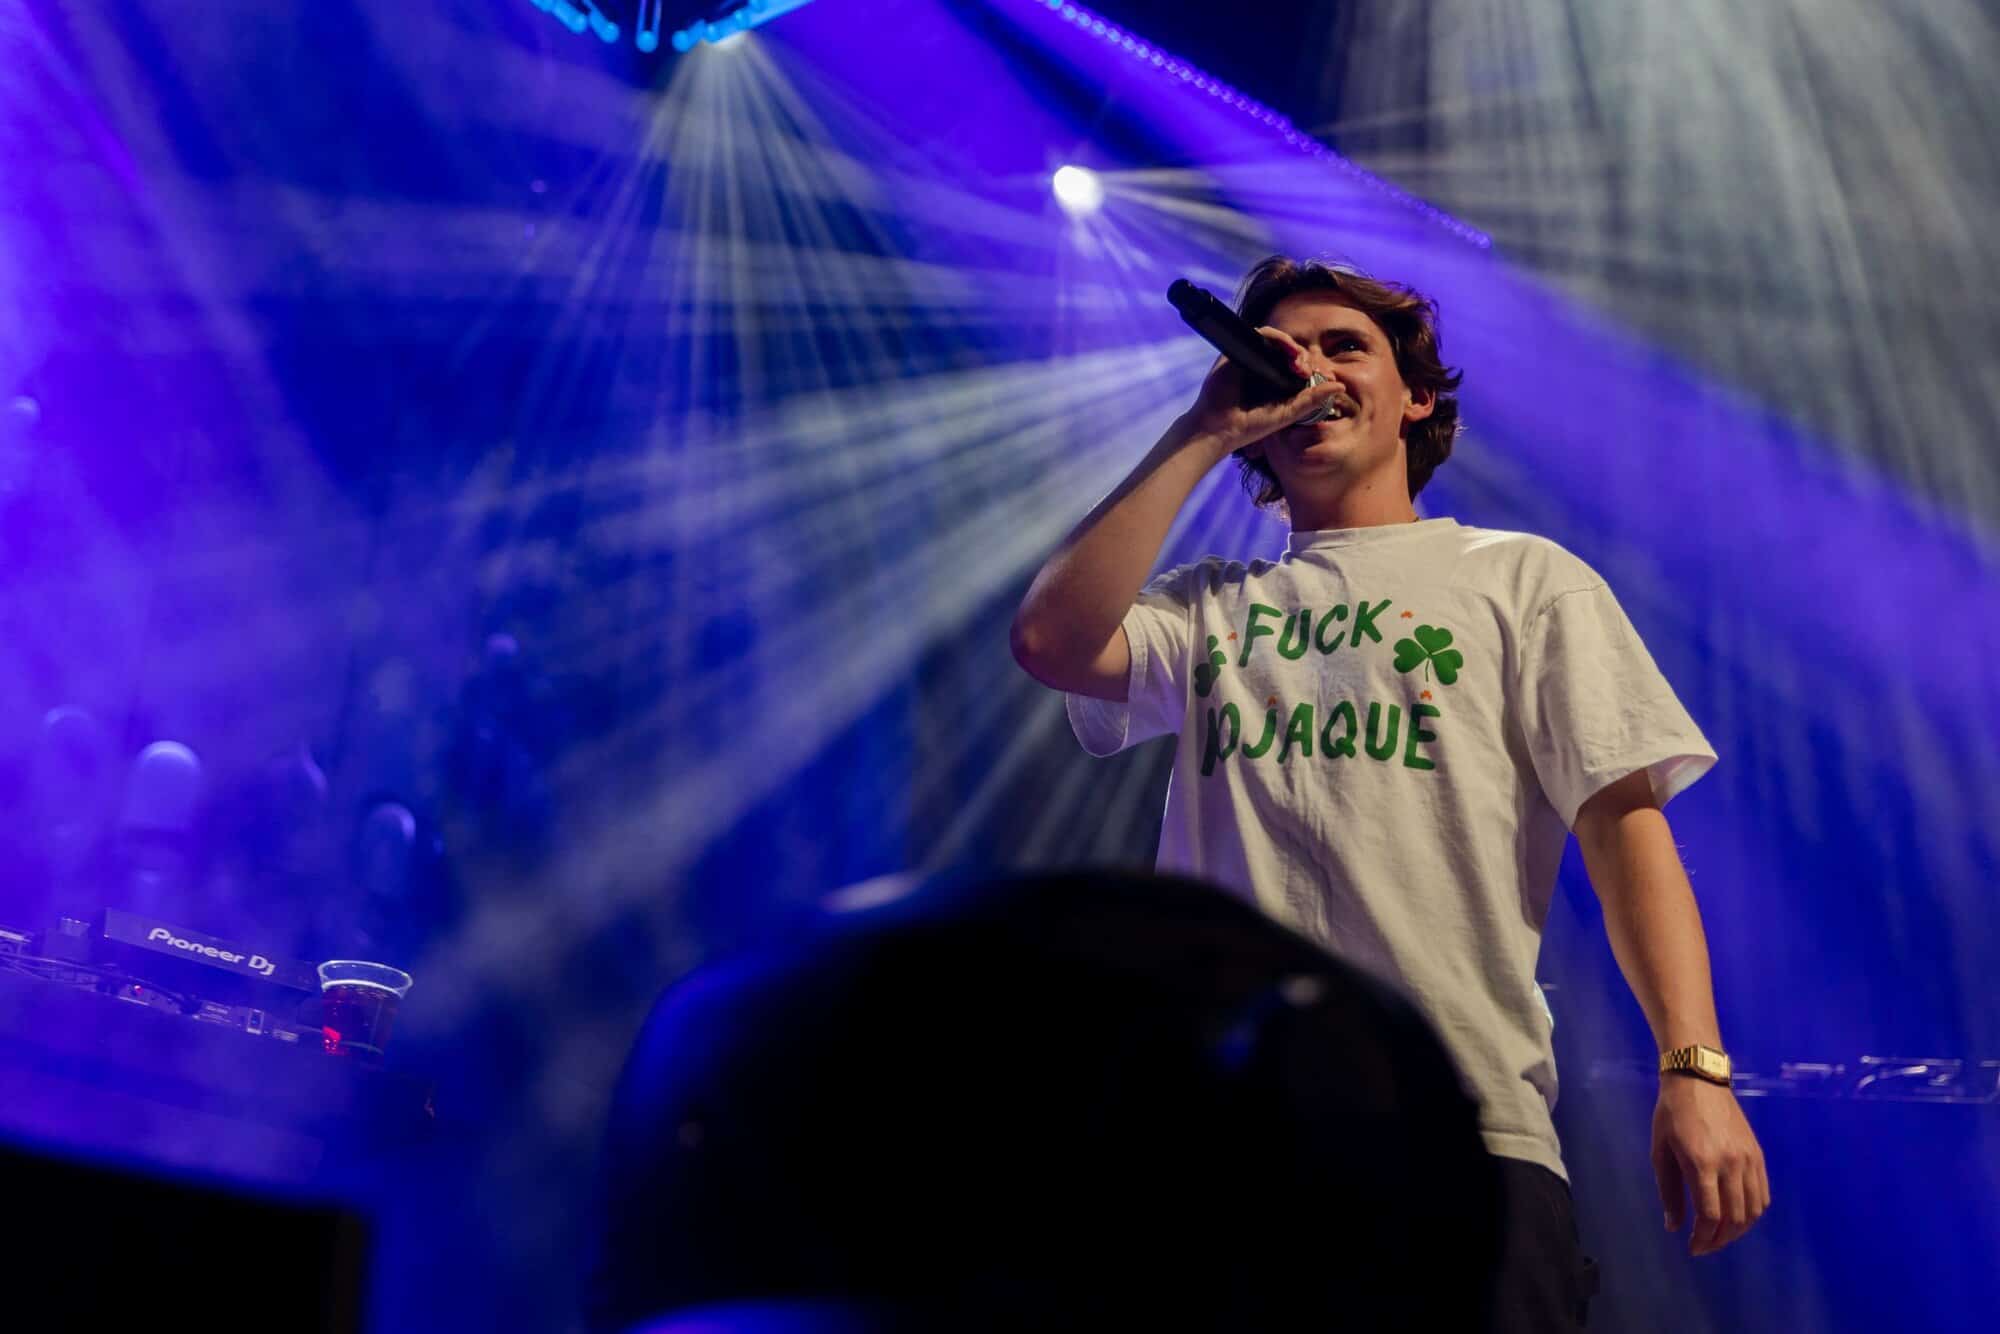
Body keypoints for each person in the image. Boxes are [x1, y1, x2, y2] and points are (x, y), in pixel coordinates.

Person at [1010, 256, 1770, 1331]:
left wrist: (1693, 1068)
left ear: (1414, 396)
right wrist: (1202, 429)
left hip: (1460, 1125)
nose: (1310, 369)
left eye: (1344, 347)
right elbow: (1048, 639)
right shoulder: (1210, 606)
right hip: (1224, 1138)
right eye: (1283, 353)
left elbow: (1624, 830)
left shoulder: (1520, 578)